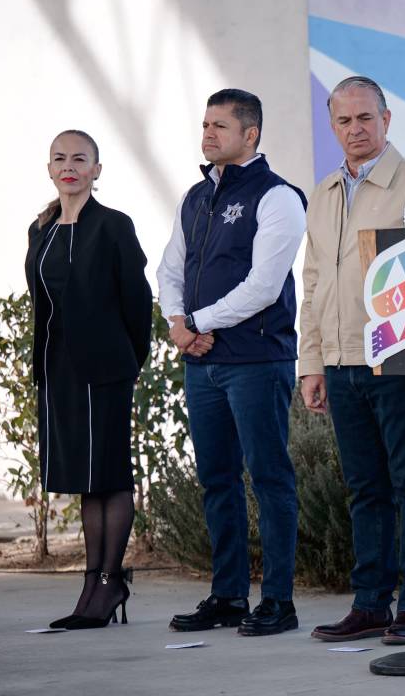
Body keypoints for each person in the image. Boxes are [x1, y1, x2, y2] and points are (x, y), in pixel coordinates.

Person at [298, 76, 405, 644]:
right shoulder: (323, 193)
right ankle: (370, 604)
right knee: (365, 489)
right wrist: (312, 362)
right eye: (344, 121)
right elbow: (313, 283)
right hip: (340, 363)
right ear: (333, 125)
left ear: (387, 120)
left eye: (366, 118)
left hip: (399, 359)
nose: (356, 130)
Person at [157, 89, 307, 636]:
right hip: (202, 364)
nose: (208, 134)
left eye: (221, 125)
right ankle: (227, 597)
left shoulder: (278, 197)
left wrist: (198, 323)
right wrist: (179, 322)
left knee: (269, 479)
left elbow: (264, 287)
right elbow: (170, 268)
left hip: (256, 360)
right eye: (205, 124)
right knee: (217, 480)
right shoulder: (196, 197)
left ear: (251, 134)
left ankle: (279, 602)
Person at [25, 129, 152, 630]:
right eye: (60, 158)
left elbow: (137, 303)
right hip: (58, 370)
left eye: (80, 158)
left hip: (107, 369)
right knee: (85, 476)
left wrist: (127, 360)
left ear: (97, 170)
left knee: (110, 474)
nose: (69, 166)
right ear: (50, 168)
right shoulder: (42, 229)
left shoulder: (114, 226)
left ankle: (109, 579)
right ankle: (92, 581)